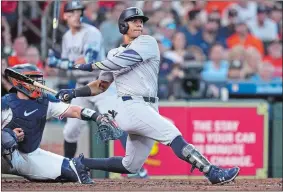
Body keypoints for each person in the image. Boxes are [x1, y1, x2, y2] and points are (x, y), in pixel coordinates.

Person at [55, 7, 240, 185]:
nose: (139, 24)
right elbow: (100, 85)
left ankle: (82, 163)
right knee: (171, 132)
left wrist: (89, 66)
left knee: (131, 165)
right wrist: (73, 92)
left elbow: (122, 60)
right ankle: (212, 171)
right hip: (130, 106)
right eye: (133, 21)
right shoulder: (113, 54)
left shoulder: (147, 42)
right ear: (122, 26)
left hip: (148, 106)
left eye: (141, 21)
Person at [47, 0, 148, 178]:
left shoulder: (91, 33)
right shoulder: (66, 38)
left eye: (79, 11)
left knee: (117, 122)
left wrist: (59, 62)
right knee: (70, 130)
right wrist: (55, 62)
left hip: (101, 84)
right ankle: (67, 170)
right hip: (81, 88)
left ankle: (137, 168)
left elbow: (88, 62)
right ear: (65, 16)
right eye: (72, 12)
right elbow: (66, 67)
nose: (77, 15)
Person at [1, 64, 118, 184]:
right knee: (6, 138)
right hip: (3, 159)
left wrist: (97, 117)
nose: (37, 83)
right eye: (32, 79)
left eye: (38, 79)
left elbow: (74, 110)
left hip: (29, 155)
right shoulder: (4, 104)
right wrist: (10, 135)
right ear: (18, 82)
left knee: (73, 170)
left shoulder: (45, 101)